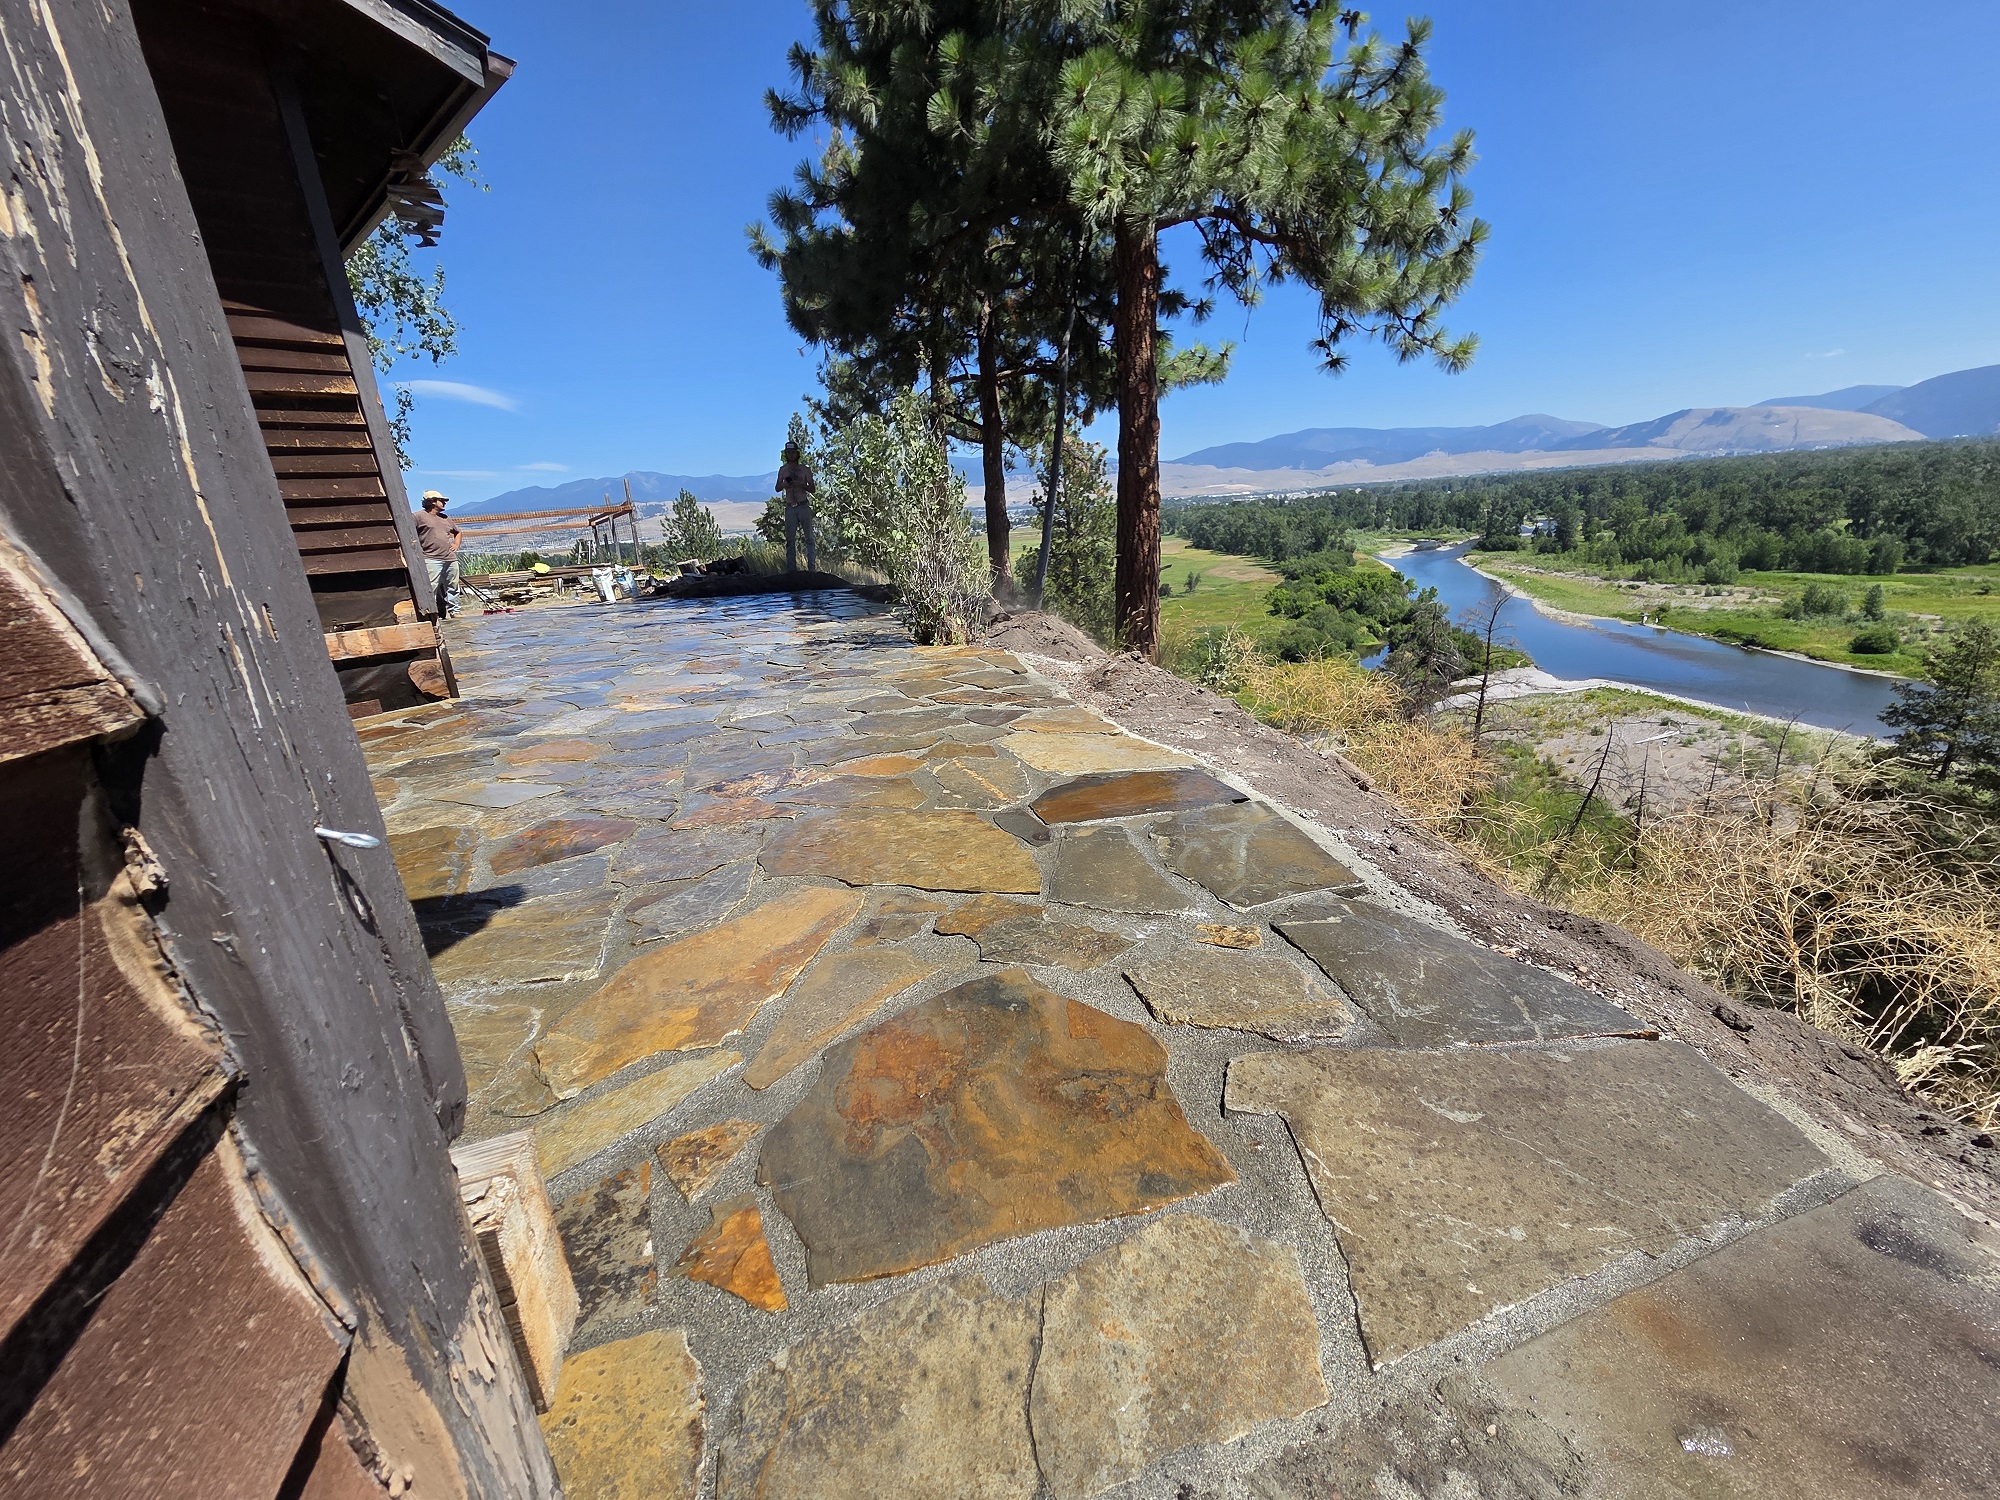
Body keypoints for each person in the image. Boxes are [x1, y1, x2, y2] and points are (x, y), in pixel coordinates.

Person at [413, 490, 462, 617]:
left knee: (453, 585)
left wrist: (456, 544)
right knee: (432, 586)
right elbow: (410, 533)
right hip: (430, 558)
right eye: (442, 501)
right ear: (432, 502)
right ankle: (431, 612)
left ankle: (455, 611)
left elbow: (458, 532)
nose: (444, 503)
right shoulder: (418, 517)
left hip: (450, 558)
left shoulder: (445, 518)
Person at [775, 442, 817, 573]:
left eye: (793, 452)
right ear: (786, 454)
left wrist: (801, 484)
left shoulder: (804, 469)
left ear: (797, 453)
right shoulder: (783, 470)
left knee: (809, 538)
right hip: (790, 507)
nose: (791, 454)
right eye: (789, 452)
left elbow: (813, 488)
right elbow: (777, 488)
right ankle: (791, 570)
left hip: (803, 505)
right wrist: (784, 484)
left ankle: (811, 569)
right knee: (790, 540)